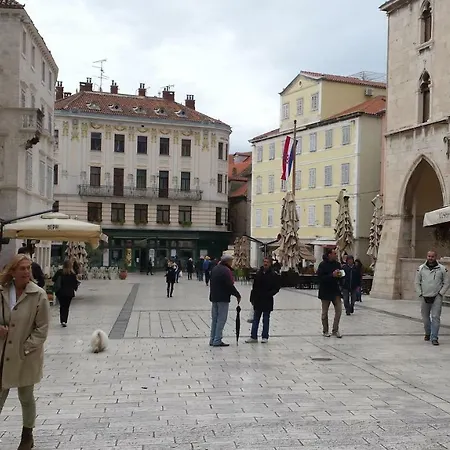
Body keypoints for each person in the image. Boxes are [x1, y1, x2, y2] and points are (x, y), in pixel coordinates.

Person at [0, 253, 50, 450]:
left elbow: (42, 329)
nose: (27, 272)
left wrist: (26, 347)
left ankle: (27, 436)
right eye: (22, 268)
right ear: (13, 271)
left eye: (28, 268)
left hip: (26, 356)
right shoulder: (2, 291)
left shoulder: (38, 295)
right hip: (3, 354)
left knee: (26, 397)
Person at [415, 250, 450, 346]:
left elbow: (446, 282)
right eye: (429, 256)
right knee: (425, 317)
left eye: (432, 256)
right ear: (427, 257)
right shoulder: (421, 268)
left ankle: (434, 337)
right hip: (424, 296)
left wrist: (441, 293)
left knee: (435, 317)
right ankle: (428, 332)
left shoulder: (442, 269)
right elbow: (417, 282)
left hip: (436, 297)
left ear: (436, 257)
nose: (430, 258)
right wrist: (420, 293)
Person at [245, 257, 280, 344]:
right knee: (255, 319)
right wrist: (252, 298)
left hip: (267, 300)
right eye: (264, 261)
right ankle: (253, 336)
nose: (265, 263)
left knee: (266, 319)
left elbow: (276, 288)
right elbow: (254, 287)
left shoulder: (273, 275)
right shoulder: (258, 273)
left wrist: (269, 294)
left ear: (270, 263)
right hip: (258, 299)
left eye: (267, 262)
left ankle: (265, 336)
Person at [209, 254, 241, 347]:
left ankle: (212, 339)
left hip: (214, 297)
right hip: (223, 298)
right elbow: (229, 285)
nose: (232, 263)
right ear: (228, 261)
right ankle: (217, 340)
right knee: (221, 319)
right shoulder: (226, 271)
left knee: (215, 319)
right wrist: (237, 295)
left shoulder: (215, 268)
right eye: (231, 261)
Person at [317, 248, 343, 338]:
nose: (336, 255)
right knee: (324, 313)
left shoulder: (337, 264)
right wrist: (332, 275)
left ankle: (335, 330)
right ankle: (325, 330)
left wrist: (340, 275)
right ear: (329, 255)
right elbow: (320, 278)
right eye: (334, 253)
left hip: (335, 291)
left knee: (339, 310)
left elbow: (342, 276)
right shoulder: (322, 265)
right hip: (325, 291)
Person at [52, 260, 79, 327]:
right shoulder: (72, 274)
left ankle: (62, 320)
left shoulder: (60, 272)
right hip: (69, 293)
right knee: (67, 307)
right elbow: (75, 284)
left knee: (62, 306)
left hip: (60, 292)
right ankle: (65, 320)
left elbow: (53, 279)